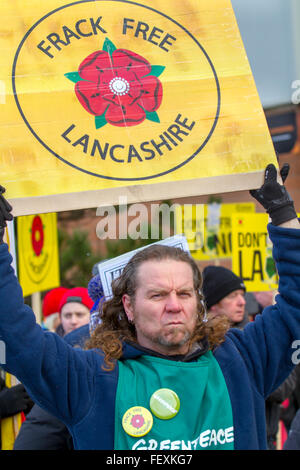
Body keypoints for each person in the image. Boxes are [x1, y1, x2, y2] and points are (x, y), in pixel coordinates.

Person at [0, 164, 299, 450]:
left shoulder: (242, 360)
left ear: (199, 301)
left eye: (184, 293)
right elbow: (17, 339)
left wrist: (284, 213)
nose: (173, 306)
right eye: (157, 295)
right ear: (128, 306)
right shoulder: (91, 378)